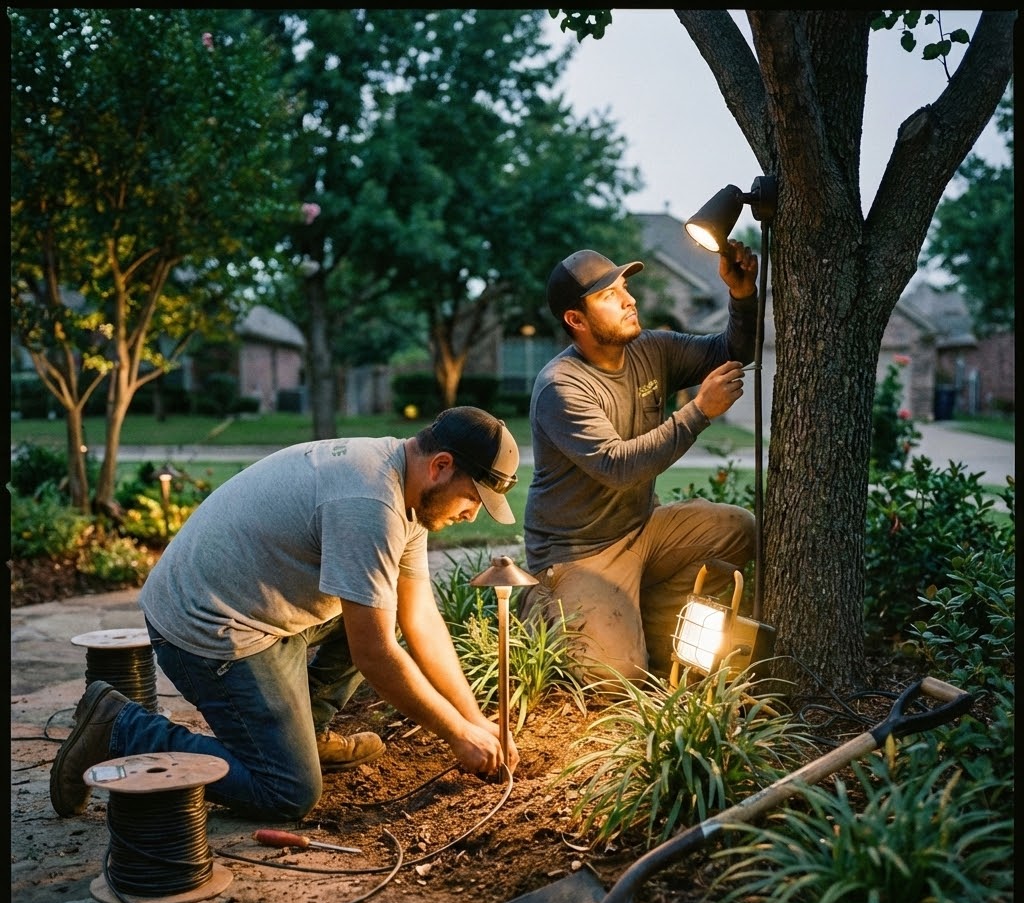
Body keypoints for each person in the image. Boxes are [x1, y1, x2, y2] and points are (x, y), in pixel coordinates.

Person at [50, 407, 522, 821]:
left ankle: (305, 738)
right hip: (207, 629)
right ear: (441, 466)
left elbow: (420, 622)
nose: (472, 514)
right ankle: (121, 726)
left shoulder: (405, 487)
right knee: (287, 791)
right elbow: (375, 652)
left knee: (380, 611)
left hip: (256, 606)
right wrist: (456, 734)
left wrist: (474, 721)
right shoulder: (369, 503)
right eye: (473, 499)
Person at [520, 245, 759, 687]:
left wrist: (742, 296)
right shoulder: (562, 387)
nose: (629, 300)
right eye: (609, 295)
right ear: (576, 319)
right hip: (579, 555)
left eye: (624, 288)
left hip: (642, 530)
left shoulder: (654, 350)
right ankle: (546, 604)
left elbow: (732, 349)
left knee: (736, 529)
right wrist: (699, 411)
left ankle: (646, 615)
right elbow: (618, 466)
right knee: (614, 679)